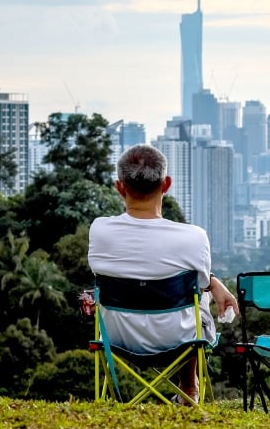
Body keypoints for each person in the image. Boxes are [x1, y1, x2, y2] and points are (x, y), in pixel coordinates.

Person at [87, 144, 238, 403]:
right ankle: (189, 388)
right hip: (178, 341)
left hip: (118, 339)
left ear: (119, 186)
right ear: (166, 184)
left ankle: (182, 389)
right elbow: (199, 285)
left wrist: (211, 283)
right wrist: (214, 284)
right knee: (197, 299)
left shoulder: (99, 231)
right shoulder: (194, 237)